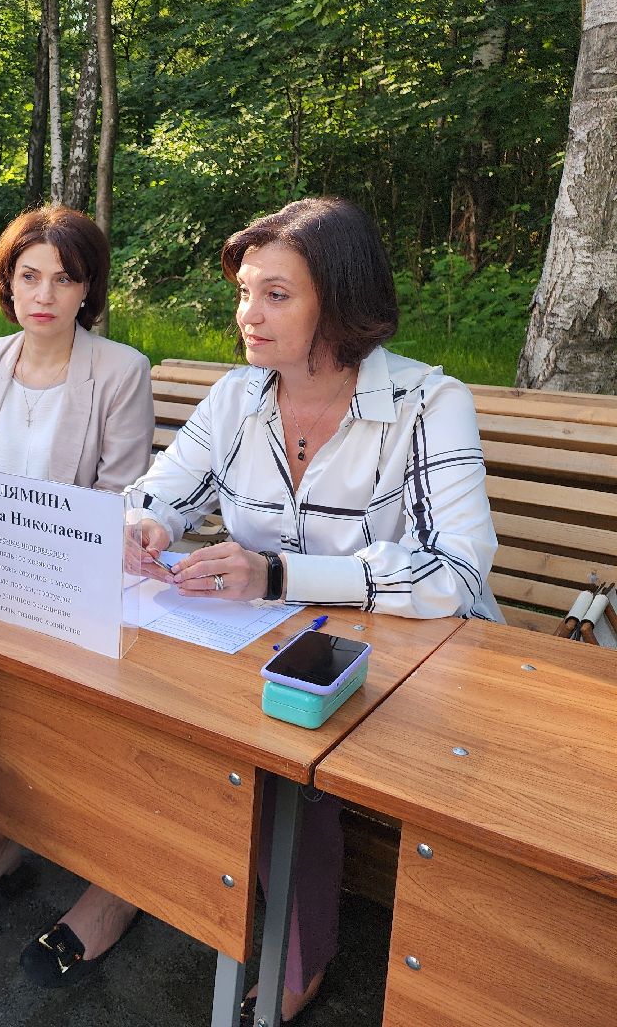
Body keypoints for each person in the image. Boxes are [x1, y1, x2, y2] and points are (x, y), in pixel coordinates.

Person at [125, 196, 501, 1025]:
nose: (247, 316)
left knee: (276, 750)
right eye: (244, 293)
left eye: (276, 295)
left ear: (340, 300)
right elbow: (161, 491)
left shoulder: (427, 404)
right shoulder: (237, 397)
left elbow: (457, 572)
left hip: (422, 668)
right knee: (161, 705)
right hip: (277, 646)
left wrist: (280, 574)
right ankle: (136, 883)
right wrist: (143, 525)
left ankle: (301, 956)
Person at [0, 205, 155, 987]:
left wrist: (38, 564)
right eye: (29, 276)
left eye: (64, 279)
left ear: (88, 289)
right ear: (8, 283)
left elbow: (121, 500)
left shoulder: (120, 370)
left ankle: (108, 874)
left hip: (80, 588)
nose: (44, 295)